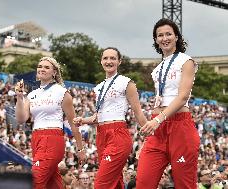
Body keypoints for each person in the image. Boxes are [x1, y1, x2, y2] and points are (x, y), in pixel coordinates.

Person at [136, 18, 200, 189]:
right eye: (160, 35)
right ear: (156, 40)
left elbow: (183, 96)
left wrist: (158, 119)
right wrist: (155, 119)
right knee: (143, 182)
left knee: (184, 185)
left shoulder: (186, 61)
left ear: (177, 37)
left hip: (180, 126)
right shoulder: (157, 69)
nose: (164, 38)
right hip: (158, 128)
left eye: (168, 34)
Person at [74, 47, 147, 189]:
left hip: (117, 134)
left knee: (101, 183)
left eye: (113, 58)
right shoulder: (98, 87)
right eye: (105, 58)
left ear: (119, 61)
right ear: (101, 61)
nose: (109, 61)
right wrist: (83, 120)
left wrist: (151, 134)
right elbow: (98, 116)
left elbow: (138, 112)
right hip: (101, 135)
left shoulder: (126, 82)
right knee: (116, 182)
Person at [15, 56, 85, 189]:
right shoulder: (32, 94)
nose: (42, 69)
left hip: (52, 138)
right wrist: (19, 97)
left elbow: (73, 122)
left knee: (35, 181)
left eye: (47, 67)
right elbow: (21, 119)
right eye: (40, 66)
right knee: (53, 184)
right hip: (36, 139)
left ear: (54, 72)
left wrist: (80, 148)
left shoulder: (62, 92)